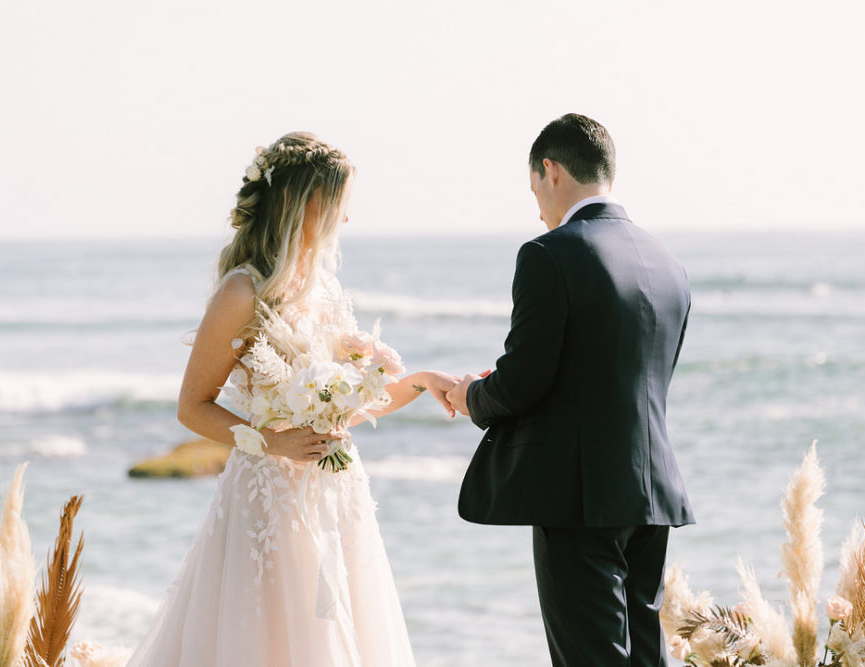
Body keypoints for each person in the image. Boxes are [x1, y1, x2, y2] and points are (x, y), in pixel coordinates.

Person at [127, 131, 456, 666]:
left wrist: (419, 381)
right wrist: (274, 442)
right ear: (307, 203)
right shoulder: (243, 292)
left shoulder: (324, 289)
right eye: (340, 205)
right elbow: (192, 406)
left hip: (337, 498)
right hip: (269, 505)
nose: (346, 220)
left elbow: (352, 403)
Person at [446, 113, 695, 667]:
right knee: (643, 657)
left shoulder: (549, 253)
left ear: (550, 170)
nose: (536, 206)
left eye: (534, 187)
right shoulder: (669, 265)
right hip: (651, 493)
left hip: (578, 496)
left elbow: (523, 382)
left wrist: (469, 396)